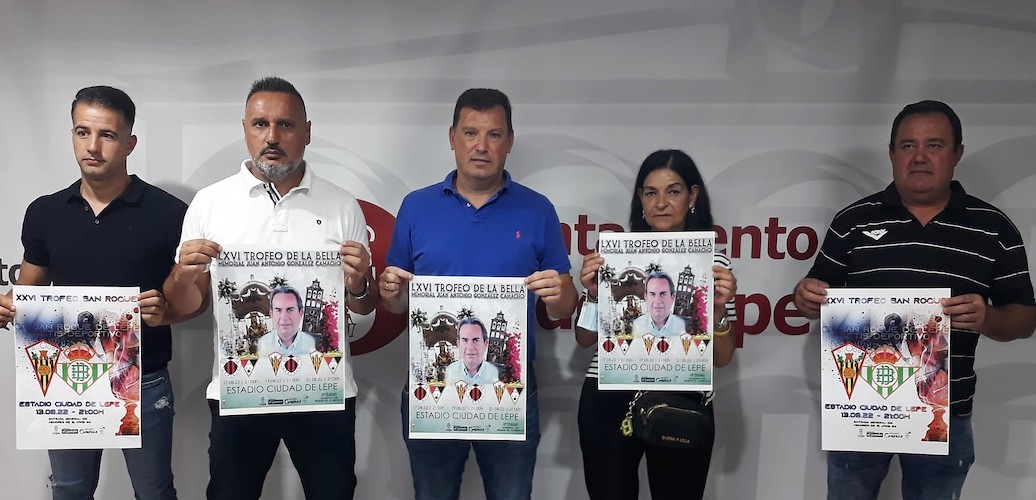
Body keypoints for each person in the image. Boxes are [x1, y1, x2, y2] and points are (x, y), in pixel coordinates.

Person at [792, 100, 1036, 500]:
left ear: (957, 153)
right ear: (892, 154)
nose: (919, 157)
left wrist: (987, 317)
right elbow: (813, 294)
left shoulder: (994, 229)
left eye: (935, 146)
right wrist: (805, 295)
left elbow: (1025, 319)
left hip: (945, 412)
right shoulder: (853, 221)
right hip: (861, 408)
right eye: (907, 146)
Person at [162, 77, 379, 500]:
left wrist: (359, 285)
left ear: (308, 131)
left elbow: (363, 312)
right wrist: (182, 276)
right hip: (239, 391)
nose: (272, 137)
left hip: (323, 392)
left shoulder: (341, 205)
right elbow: (188, 304)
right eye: (260, 124)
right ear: (245, 128)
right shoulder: (210, 203)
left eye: (286, 125)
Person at [378, 88, 578, 500]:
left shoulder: (537, 209)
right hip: (433, 386)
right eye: (470, 133)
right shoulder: (416, 207)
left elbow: (566, 304)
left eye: (494, 134)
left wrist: (558, 292)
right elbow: (398, 305)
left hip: (511, 388)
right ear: (452, 137)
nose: (481, 146)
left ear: (509, 141)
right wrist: (391, 291)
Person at [0, 85, 185, 499]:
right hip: (66, 376)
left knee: (154, 492)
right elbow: (27, 291)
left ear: (130, 142)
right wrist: (11, 307)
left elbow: (194, 302)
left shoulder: (168, 212)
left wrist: (166, 311)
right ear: (71, 135)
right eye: (82, 132)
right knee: (69, 489)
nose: (93, 146)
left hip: (143, 378)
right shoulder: (44, 212)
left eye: (107, 135)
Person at [574, 149, 739, 500]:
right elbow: (584, 337)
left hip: (682, 398)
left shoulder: (714, 261)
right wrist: (591, 295)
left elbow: (722, 357)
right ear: (640, 200)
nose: (661, 202)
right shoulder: (615, 255)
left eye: (673, 191)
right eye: (651, 192)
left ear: (692, 196)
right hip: (607, 397)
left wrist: (720, 309)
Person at [256, 286, 317, 358]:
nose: (284, 317)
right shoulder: (263, 344)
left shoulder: (310, 343)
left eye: (290, 310)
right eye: (278, 310)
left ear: (301, 313)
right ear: (271, 314)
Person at [443, 317, 500, 386]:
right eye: (465, 340)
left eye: (475, 340)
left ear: (485, 344)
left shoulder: (494, 373)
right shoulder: (450, 371)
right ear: (458, 344)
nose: (470, 347)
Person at [630, 272, 688, 338]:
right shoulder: (637, 325)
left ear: (672, 297)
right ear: (646, 297)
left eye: (663, 294)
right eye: (652, 294)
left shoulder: (681, 325)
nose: (657, 301)